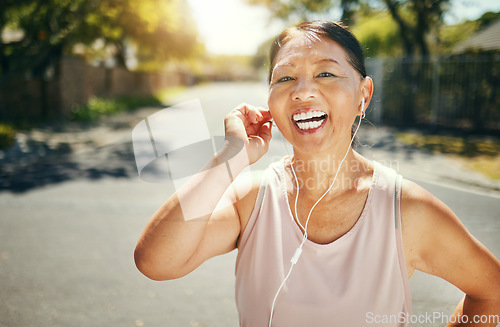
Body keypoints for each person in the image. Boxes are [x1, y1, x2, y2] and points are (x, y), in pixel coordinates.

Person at [134, 21, 500, 326]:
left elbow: (491, 291)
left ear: (363, 94)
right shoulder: (250, 200)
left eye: (326, 73)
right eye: (285, 79)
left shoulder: (406, 210)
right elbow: (156, 262)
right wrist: (231, 155)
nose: (303, 91)